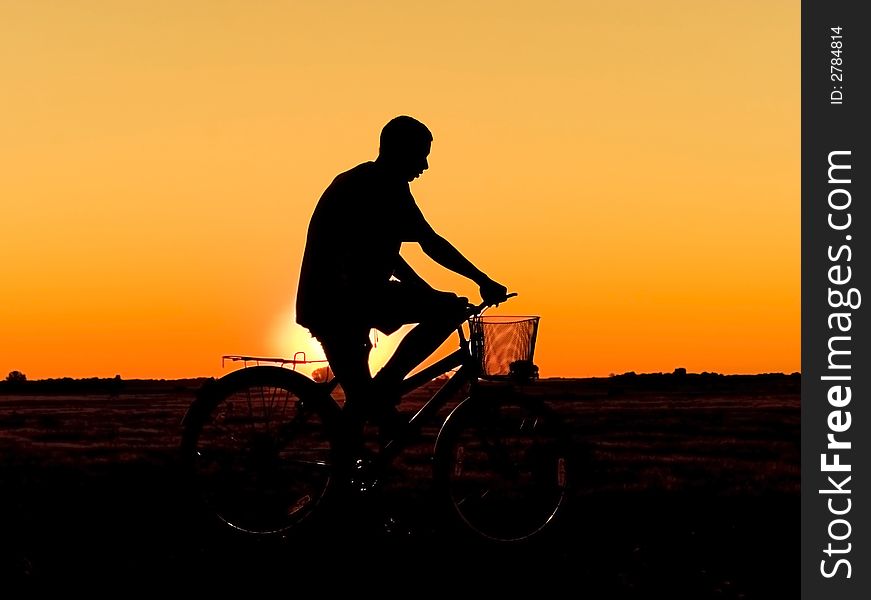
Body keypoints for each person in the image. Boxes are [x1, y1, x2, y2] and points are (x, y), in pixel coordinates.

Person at [296, 115, 508, 440]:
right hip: (343, 301)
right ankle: (386, 387)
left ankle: (353, 460)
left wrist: (427, 293)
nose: (424, 166)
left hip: (342, 300)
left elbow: (388, 255)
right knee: (448, 311)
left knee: (361, 404)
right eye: (421, 155)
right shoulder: (379, 185)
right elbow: (430, 242)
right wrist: (481, 279)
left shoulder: (371, 182)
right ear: (399, 150)